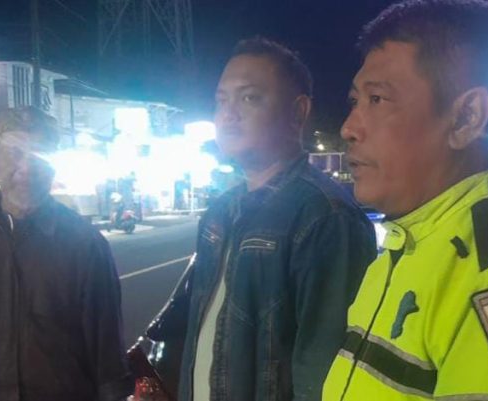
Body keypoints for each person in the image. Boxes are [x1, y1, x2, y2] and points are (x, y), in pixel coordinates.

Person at [322, 1, 488, 400]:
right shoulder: (407, 244)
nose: (349, 128)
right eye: (356, 101)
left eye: (377, 99)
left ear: (466, 118)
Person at [146, 37, 376, 401]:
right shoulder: (221, 211)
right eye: (221, 100)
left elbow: (324, 372)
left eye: (249, 98)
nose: (228, 114)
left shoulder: (325, 216)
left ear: (298, 112)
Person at [0, 107, 133, 401]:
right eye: (15, 153)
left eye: (40, 154)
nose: (27, 168)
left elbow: (109, 363)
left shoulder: (86, 244)